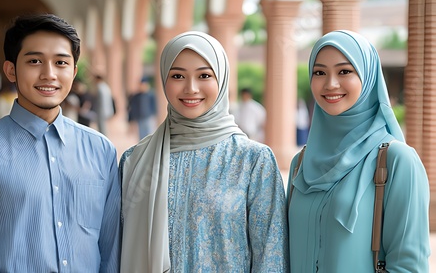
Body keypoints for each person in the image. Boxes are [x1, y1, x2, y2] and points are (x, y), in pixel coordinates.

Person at [0, 14, 121, 272]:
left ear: (73, 72)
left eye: (61, 62)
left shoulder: (101, 150)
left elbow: (111, 249)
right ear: (11, 70)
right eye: (34, 61)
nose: (49, 74)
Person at [119, 31, 289, 272]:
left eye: (204, 75)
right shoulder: (134, 160)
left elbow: (271, 257)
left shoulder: (253, 161)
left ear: (222, 80)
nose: (191, 88)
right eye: (177, 75)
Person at [287, 30, 430, 272]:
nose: (330, 83)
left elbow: (409, 265)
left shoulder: (396, 161)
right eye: (319, 72)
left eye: (345, 71)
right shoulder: (301, 163)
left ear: (368, 77)